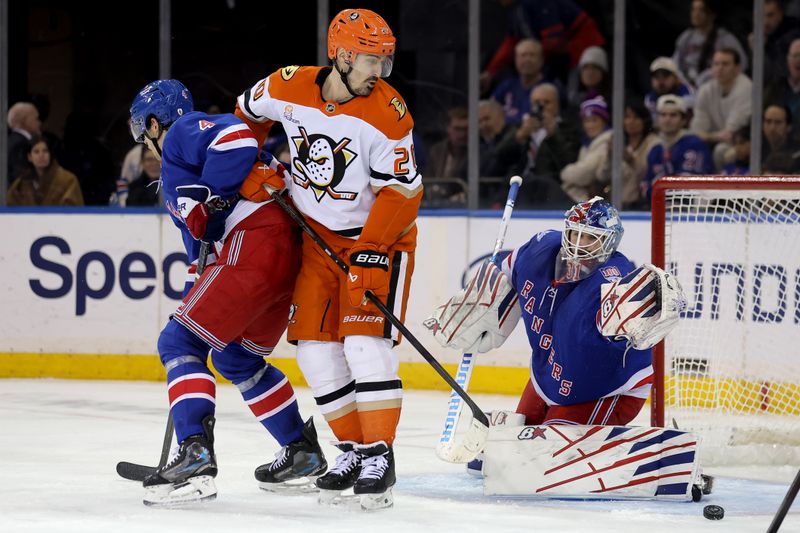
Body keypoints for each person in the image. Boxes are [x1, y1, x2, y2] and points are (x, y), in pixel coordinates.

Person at [234, 8, 423, 510]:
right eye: (369, 62)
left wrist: (371, 251)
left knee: (362, 343)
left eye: (385, 63)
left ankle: (380, 453)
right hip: (316, 240)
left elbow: (403, 194)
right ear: (339, 56)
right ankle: (351, 450)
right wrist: (250, 165)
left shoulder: (389, 112)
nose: (379, 74)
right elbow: (243, 118)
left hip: (379, 239)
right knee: (316, 352)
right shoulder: (286, 85)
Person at [128, 79, 326, 506]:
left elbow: (237, 137)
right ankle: (301, 450)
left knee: (178, 342)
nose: (143, 141)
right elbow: (201, 249)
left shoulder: (182, 134)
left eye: (142, 130)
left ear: (155, 123)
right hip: (278, 256)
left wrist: (215, 199)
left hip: (256, 240)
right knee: (237, 357)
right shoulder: (174, 176)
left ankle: (195, 453)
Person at [427, 196, 683, 441]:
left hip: (604, 390)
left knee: (542, 453)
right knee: (506, 447)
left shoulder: (613, 281)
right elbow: (505, 271)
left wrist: (648, 314)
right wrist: (479, 305)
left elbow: (633, 325)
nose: (579, 244)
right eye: (575, 234)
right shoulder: (539, 251)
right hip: (547, 377)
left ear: (609, 243)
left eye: (591, 239)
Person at [643, 95, 713, 203]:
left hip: (693, 213)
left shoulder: (694, 144)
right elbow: (645, 188)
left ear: (684, 120)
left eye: (673, 115)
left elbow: (689, 188)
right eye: (663, 115)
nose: (667, 119)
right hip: (661, 210)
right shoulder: (655, 150)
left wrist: (659, 188)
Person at [690, 48, 752, 170]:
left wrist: (708, 136)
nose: (720, 68)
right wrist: (711, 136)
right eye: (716, 64)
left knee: (721, 150)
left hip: (742, 143)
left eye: (725, 64)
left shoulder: (746, 87)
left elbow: (731, 133)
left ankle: (721, 187)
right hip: (715, 141)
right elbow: (696, 131)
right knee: (692, 145)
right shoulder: (706, 90)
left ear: (737, 68)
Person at [672, 0, 748, 88]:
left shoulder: (724, 38)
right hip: (687, 85)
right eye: (693, 10)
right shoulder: (686, 37)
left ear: (712, 14)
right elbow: (675, 64)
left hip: (714, 85)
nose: (696, 14)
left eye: (701, 10)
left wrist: (715, 75)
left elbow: (742, 63)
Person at [560, 96, 612, 203]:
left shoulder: (607, 141)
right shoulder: (586, 145)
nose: (590, 125)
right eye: (587, 121)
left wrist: (564, 173)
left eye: (594, 120)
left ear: (604, 121)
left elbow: (585, 174)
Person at [7, 134, 83, 206]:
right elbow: (10, 209)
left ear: (50, 155)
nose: (41, 155)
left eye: (45, 151)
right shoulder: (21, 184)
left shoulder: (68, 180)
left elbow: (73, 211)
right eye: (36, 152)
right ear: (29, 157)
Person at [644, 57, 695, 126]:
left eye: (665, 76)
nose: (661, 81)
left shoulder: (688, 94)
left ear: (676, 78)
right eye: (656, 76)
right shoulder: (649, 99)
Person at [6, 102, 42, 185]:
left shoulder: (11, 140)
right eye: (36, 119)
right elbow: (22, 180)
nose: (39, 123)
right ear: (26, 120)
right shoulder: (20, 144)